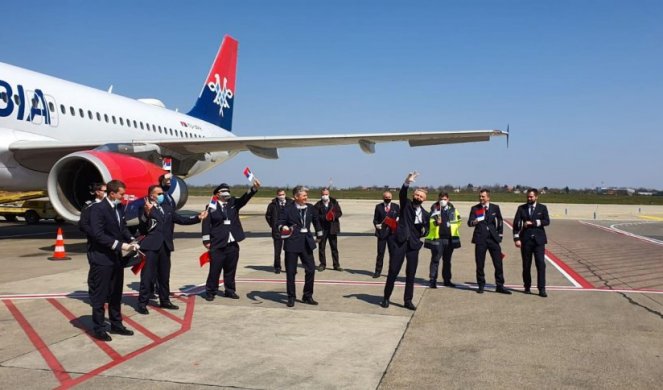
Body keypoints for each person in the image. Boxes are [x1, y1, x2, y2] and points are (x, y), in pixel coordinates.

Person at [135, 185, 207, 314]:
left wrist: (198, 218)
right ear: (152, 196)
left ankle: (165, 300)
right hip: (151, 246)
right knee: (147, 276)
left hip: (165, 246)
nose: (163, 195)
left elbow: (181, 219)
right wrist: (147, 212)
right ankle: (142, 303)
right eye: (160, 193)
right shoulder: (144, 208)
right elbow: (143, 225)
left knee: (164, 275)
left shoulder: (167, 208)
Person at [87, 180, 137, 341]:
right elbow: (98, 234)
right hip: (101, 258)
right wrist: (121, 245)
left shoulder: (119, 208)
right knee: (100, 296)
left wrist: (132, 240)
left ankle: (116, 324)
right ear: (112, 193)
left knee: (116, 294)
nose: (123, 197)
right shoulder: (97, 209)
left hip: (116, 259)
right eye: (121, 194)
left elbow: (122, 227)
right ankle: (99, 327)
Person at [202, 180, 260, 301]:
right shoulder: (211, 206)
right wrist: (206, 240)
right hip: (217, 242)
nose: (226, 193)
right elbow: (206, 224)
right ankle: (210, 291)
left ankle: (230, 290)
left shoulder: (233, 203)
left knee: (230, 269)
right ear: (217, 194)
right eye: (223, 191)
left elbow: (245, 198)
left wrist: (253, 189)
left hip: (232, 242)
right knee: (215, 269)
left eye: (228, 190)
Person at [381, 172, 429, 310]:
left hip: (413, 246)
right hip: (400, 243)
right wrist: (407, 182)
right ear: (413, 196)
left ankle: (408, 300)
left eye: (421, 196)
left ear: (424, 199)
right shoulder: (406, 204)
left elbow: (427, 229)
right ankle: (386, 298)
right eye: (417, 195)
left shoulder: (425, 214)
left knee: (411, 274)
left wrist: (423, 231)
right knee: (393, 271)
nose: (418, 197)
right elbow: (402, 193)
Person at [277, 185, 323, 307]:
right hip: (292, 243)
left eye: (306, 195)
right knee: (291, 272)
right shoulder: (288, 209)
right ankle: (291, 297)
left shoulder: (310, 208)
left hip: (306, 243)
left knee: (311, 269)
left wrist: (319, 235)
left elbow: (316, 221)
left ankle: (307, 296)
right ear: (296, 197)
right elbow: (279, 222)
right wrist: (283, 227)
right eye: (303, 196)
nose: (306, 198)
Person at [468, 189, 511, 294]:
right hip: (480, 239)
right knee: (480, 264)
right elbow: (469, 223)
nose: (481, 198)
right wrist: (475, 221)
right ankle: (481, 285)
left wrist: (500, 236)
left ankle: (500, 286)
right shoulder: (475, 208)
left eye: (483, 196)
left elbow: (500, 222)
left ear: (488, 197)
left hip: (493, 239)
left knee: (498, 263)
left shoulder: (495, 208)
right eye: (480, 196)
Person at [513, 188, 550, 297]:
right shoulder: (521, 208)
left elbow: (547, 221)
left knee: (541, 265)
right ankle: (527, 286)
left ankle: (541, 288)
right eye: (528, 196)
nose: (529, 198)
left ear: (536, 197)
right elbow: (516, 225)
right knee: (526, 265)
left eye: (531, 197)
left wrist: (533, 223)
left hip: (539, 241)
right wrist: (516, 239)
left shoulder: (542, 208)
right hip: (526, 241)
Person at [425, 192, 462, 288]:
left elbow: (458, 221)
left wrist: (452, 227)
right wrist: (436, 223)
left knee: (447, 261)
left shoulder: (453, 210)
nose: (443, 201)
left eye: (445, 199)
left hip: (449, 239)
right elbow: (429, 223)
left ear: (448, 199)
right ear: (438, 199)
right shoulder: (434, 209)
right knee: (435, 259)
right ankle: (432, 280)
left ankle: (447, 280)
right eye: (441, 199)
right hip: (438, 238)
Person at [314, 188, 343, 271]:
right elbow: (315, 217)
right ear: (321, 195)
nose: (325, 196)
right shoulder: (318, 205)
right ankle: (322, 264)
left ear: (329, 194)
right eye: (323, 194)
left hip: (332, 229)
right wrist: (325, 217)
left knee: (334, 247)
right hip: (322, 229)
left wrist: (333, 216)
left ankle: (336, 265)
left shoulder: (334, 203)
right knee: (321, 248)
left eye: (326, 194)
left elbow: (339, 213)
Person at [372, 190, 399, 278]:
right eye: (386, 197)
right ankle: (377, 271)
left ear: (392, 198)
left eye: (389, 197)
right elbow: (375, 219)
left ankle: (392, 272)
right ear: (383, 198)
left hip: (392, 234)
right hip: (382, 234)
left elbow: (399, 217)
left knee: (392, 253)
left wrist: (398, 221)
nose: (387, 199)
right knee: (380, 253)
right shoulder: (378, 207)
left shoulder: (396, 207)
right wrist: (376, 225)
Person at [265, 189, 292, 274]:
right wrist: (272, 225)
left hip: (288, 230)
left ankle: (289, 267)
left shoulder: (291, 203)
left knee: (289, 250)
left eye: (283, 194)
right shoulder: (272, 205)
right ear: (277, 195)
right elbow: (268, 216)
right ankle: (277, 267)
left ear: (285, 194)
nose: (281, 196)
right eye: (280, 195)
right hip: (277, 230)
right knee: (277, 251)